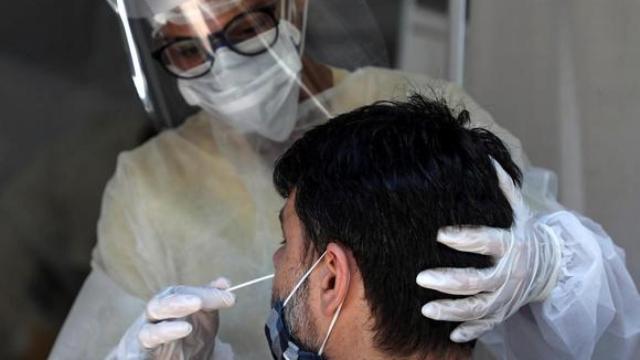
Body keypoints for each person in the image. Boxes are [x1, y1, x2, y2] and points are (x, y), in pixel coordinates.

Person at [50, 0, 640, 359]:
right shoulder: (151, 187)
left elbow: (604, 329)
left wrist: (549, 269)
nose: (221, 63)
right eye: (185, 50)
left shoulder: (422, 119)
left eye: (246, 26)